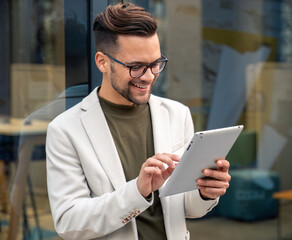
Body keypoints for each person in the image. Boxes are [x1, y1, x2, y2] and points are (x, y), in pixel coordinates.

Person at [46, 2, 231, 240]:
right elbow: (69, 224)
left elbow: (187, 209)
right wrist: (138, 191)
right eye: (135, 67)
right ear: (102, 62)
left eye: (155, 64)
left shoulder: (178, 115)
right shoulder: (65, 130)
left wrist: (206, 192)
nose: (149, 76)